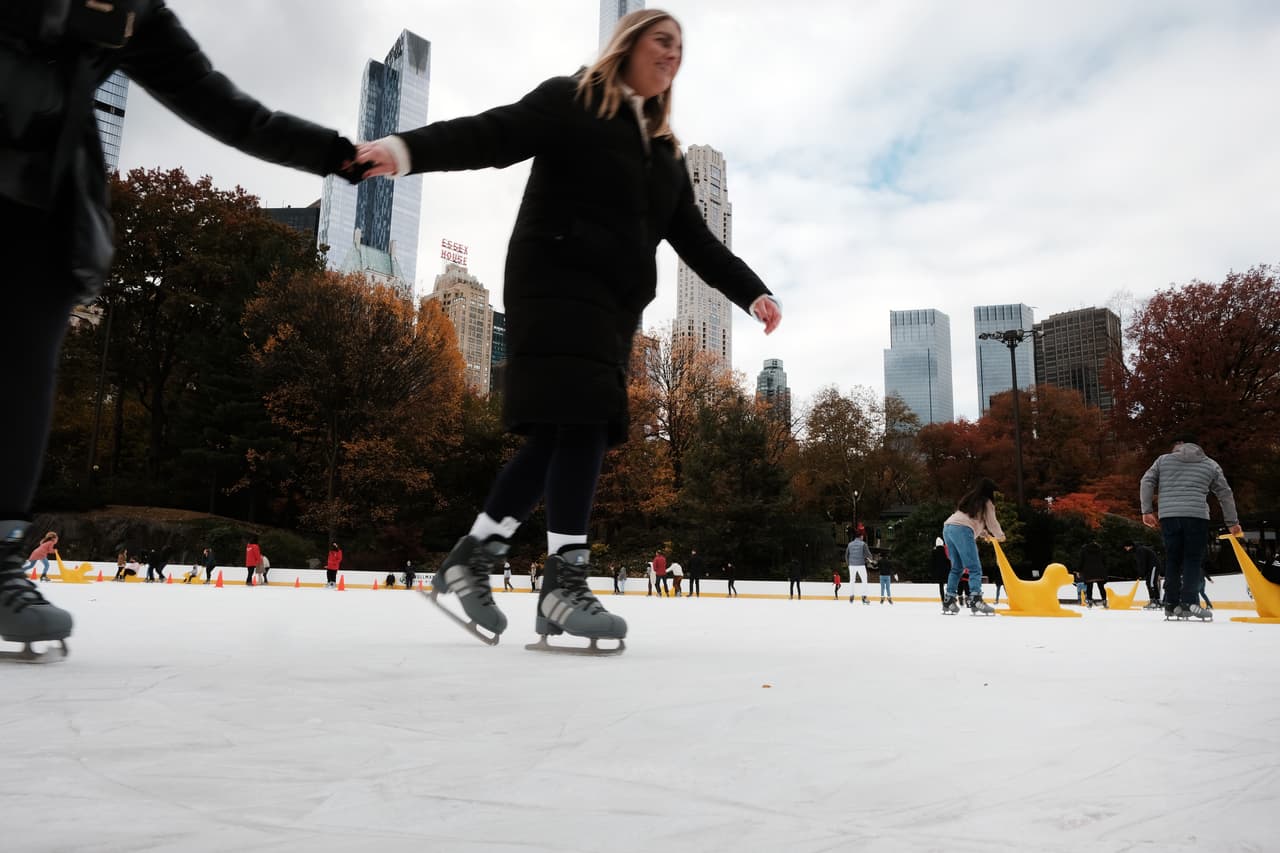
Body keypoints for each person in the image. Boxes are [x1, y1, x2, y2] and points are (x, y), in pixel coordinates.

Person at [358, 9, 780, 649]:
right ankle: (562, 585)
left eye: (680, 47)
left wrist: (752, 291)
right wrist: (403, 151)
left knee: (561, 432)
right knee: (584, 421)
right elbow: (491, 134)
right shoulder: (573, 100)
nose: (673, 54)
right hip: (553, 282)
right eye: (662, 40)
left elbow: (696, 240)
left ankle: (473, 559)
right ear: (628, 45)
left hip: (613, 309)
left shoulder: (664, 156)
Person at [0, 0, 361, 655]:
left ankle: (0, 559)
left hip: (39, 198)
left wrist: (336, 154)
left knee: (25, 366)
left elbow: (230, 111)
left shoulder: (137, 16)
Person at [1140, 433, 1241, 621]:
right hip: (1197, 517)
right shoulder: (1210, 464)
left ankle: (1171, 604)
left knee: (1173, 559)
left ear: (1179, 444)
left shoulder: (1163, 460)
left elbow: (1146, 481)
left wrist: (1147, 510)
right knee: (1192, 560)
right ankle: (1189, 603)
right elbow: (1225, 493)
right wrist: (1232, 522)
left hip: (1169, 516)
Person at [941, 478, 1005, 615]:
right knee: (974, 567)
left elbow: (969, 519)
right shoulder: (987, 502)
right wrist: (1000, 535)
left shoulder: (970, 499)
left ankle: (949, 600)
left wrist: (984, 534)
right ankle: (976, 599)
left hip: (948, 527)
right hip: (962, 529)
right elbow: (992, 522)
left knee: (957, 567)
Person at [1124, 541, 1162, 610]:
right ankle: (1156, 600)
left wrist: (1141, 574)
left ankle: (1154, 601)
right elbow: (1142, 563)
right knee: (1149, 583)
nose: (1126, 549)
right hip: (1150, 567)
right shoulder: (1138, 549)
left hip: (1153, 566)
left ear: (1130, 546)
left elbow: (1142, 563)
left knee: (1151, 583)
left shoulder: (1139, 550)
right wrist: (1142, 573)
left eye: (1126, 547)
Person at [1078, 539, 1108, 608]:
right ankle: (1104, 601)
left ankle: (1090, 602)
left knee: (1089, 587)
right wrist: (1104, 569)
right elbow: (1104, 561)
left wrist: (1079, 570)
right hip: (1100, 571)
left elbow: (1081, 561)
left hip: (1088, 571)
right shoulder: (1100, 550)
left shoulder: (1084, 550)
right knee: (1101, 587)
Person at [846, 527, 871, 605]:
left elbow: (846, 555)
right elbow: (868, 555)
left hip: (851, 565)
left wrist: (848, 564)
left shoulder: (850, 544)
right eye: (862, 536)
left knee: (852, 580)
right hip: (860, 564)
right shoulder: (863, 544)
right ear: (861, 536)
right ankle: (864, 597)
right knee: (864, 580)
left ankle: (851, 596)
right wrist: (868, 561)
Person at [930, 537, 950, 603]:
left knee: (941, 586)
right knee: (949, 584)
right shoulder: (945, 550)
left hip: (938, 572)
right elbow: (948, 560)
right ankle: (949, 597)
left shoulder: (934, 551)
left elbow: (933, 563)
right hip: (946, 571)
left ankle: (942, 599)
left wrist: (933, 572)